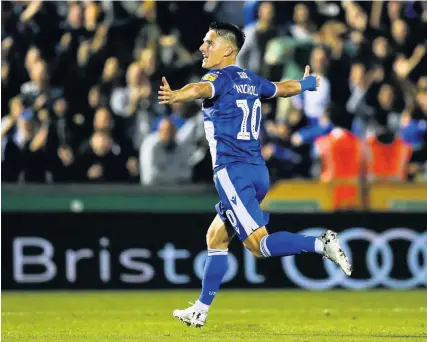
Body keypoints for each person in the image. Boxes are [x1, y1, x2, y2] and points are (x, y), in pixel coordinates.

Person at [158, 21, 352, 328]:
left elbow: (199, 89)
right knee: (216, 238)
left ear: (227, 50)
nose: (202, 48)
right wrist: (306, 85)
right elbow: (283, 88)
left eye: (209, 43)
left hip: (232, 172)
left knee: (259, 247)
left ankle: (320, 244)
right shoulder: (250, 80)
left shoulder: (217, 78)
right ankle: (201, 309)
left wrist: (176, 95)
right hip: (257, 172)